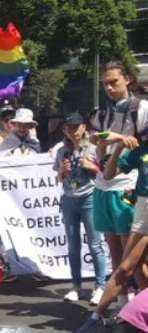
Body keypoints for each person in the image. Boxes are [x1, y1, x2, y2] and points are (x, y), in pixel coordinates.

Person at [89, 61, 148, 308]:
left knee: (133, 259)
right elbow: (94, 138)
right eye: (105, 84)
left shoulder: (142, 108)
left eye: (114, 82)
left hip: (131, 187)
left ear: (128, 80)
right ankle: (122, 305)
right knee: (115, 251)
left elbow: (142, 146)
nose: (109, 88)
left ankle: (140, 308)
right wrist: (115, 138)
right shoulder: (102, 113)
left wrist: (116, 141)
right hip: (104, 183)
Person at [54, 112, 107, 304]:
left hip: (90, 197)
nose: (73, 132)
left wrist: (92, 166)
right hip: (69, 199)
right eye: (69, 128)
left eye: (76, 127)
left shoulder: (93, 147)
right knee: (73, 245)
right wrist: (62, 171)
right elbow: (59, 179)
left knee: (95, 244)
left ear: (84, 127)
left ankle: (100, 286)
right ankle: (76, 287)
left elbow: (107, 172)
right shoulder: (62, 151)